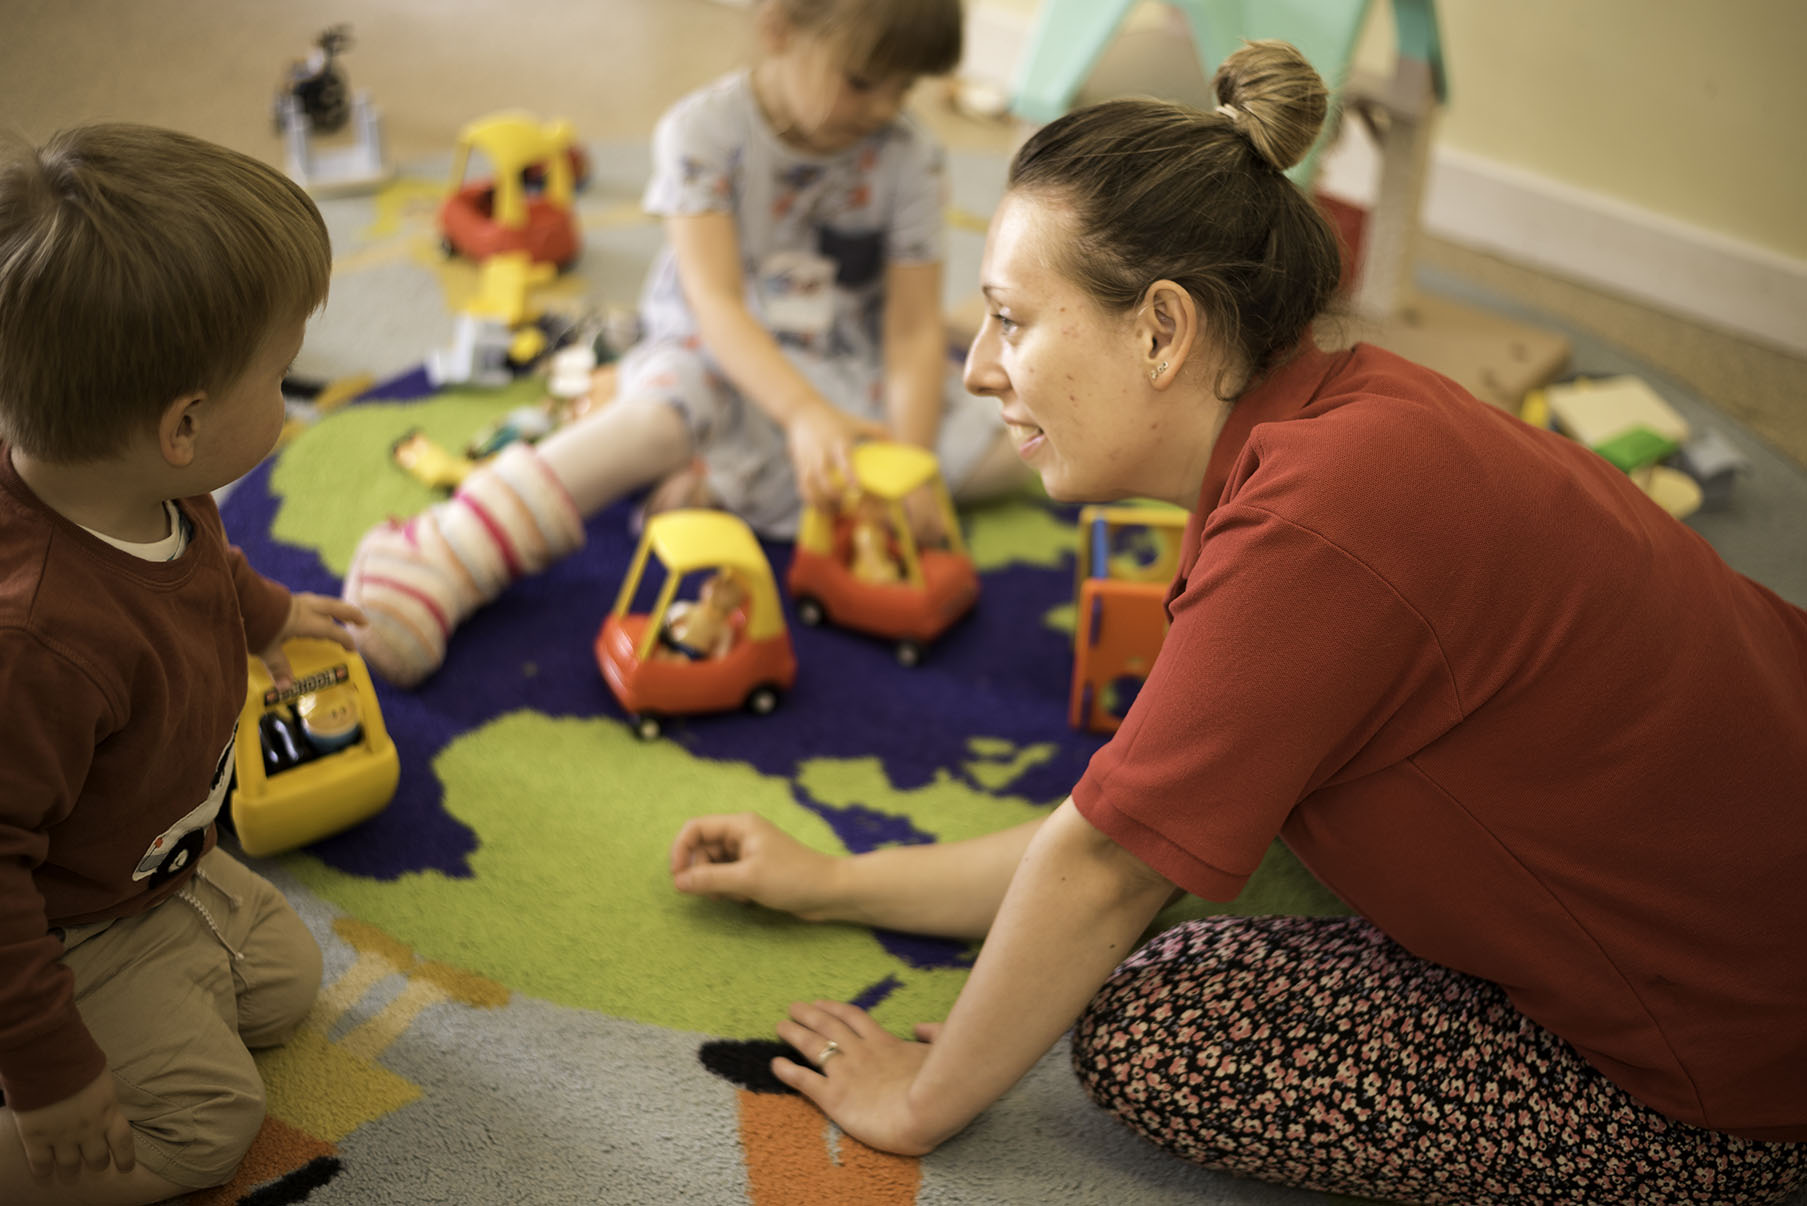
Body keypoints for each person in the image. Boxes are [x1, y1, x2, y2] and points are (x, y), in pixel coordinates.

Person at [667, 40, 1807, 1206]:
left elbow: (1105, 868)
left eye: (1011, 320)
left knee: (1159, 1022)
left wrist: (921, 1099)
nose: (975, 370)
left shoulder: (1311, 533)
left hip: (1740, 1070)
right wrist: (835, 882)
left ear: (1162, 331)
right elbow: (1122, 821)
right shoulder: (1355, 413)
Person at [344, 0, 1029, 689]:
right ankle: (443, 548)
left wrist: (906, 462)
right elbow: (717, 307)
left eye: (903, 88)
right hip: (712, 350)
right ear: (778, 29)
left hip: (844, 366)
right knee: (659, 418)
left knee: (1014, 448)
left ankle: (719, 479)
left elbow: (909, 328)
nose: (884, 108)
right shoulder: (702, 132)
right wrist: (800, 415)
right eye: (861, 81)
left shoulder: (910, 156)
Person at [0, 123, 366, 1204]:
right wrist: (54, 1078)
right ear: (185, 425)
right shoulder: (37, 644)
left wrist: (275, 613)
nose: (293, 403)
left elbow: (205, 567)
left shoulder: (148, 489)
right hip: (58, 926)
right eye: (285, 378)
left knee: (283, 988)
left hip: (153, 867)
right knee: (206, 1124)